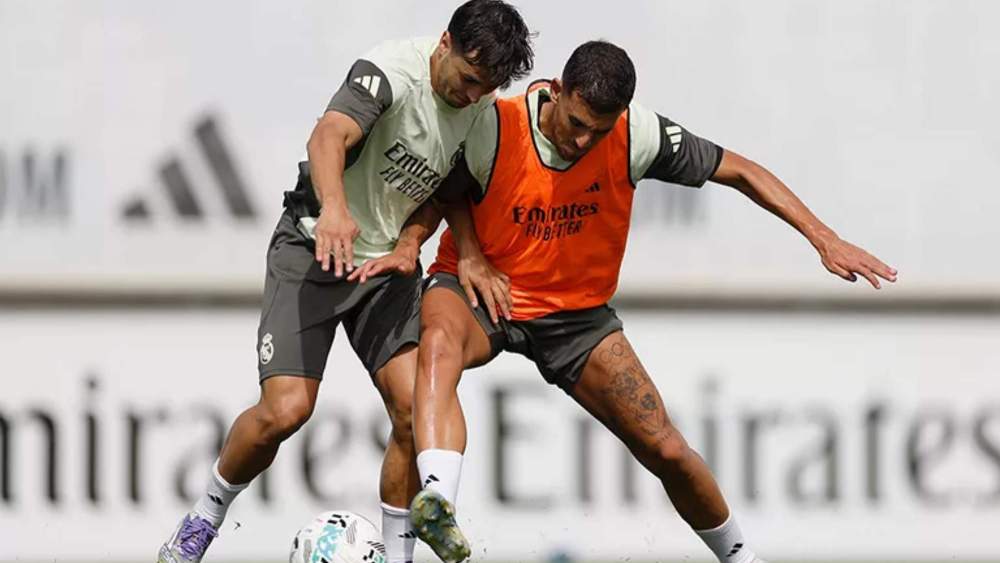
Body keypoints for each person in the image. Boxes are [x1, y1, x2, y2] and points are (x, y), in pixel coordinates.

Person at [409, 40, 897, 563]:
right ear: (556, 91)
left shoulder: (636, 134)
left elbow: (743, 171)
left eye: (599, 131)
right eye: (576, 123)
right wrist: (470, 253)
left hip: (575, 316)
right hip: (487, 289)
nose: (584, 141)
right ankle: (437, 500)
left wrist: (824, 238)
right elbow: (448, 186)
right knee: (438, 344)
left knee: (666, 447)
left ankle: (741, 558)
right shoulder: (497, 124)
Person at [156, 3, 533, 562]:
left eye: (487, 87)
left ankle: (398, 557)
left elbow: (450, 190)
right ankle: (202, 519)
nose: (473, 94)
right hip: (314, 247)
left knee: (414, 411)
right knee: (285, 411)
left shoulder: (480, 110)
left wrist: (410, 243)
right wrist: (334, 208)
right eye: (469, 78)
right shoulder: (390, 71)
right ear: (445, 42)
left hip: (381, 273)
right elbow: (328, 136)